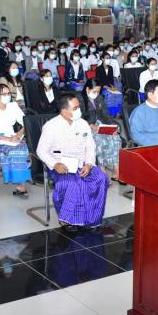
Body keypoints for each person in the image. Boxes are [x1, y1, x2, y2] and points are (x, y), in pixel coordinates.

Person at [36, 93, 109, 231]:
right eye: (75, 108)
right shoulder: (51, 126)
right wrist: (55, 164)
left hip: (82, 163)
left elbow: (90, 146)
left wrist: (89, 164)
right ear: (64, 111)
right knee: (71, 183)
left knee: (101, 178)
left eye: (78, 107)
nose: (79, 110)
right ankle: (67, 219)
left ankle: (92, 218)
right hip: (61, 165)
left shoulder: (82, 124)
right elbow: (41, 151)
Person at [0, 84, 31, 196]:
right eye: (4, 94)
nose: (7, 96)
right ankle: (21, 185)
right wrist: (8, 139)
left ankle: (21, 181)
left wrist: (18, 134)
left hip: (13, 136)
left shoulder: (13, 106)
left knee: (24, 148)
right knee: (14, 151)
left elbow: (26, 122)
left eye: (9, 93)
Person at [82, 80, 121, 180]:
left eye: (98, 92)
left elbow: (105, 114)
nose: (96, 94)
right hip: (87, 127)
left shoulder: (99, 98)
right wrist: (90, 125)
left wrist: (112, 126)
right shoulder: (80, 99)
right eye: (94, 91)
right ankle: (102, 169)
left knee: (115, 138)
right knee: (100, 140)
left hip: (101, 124)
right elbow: (79, 118)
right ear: (87, 89)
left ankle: (116, 168)